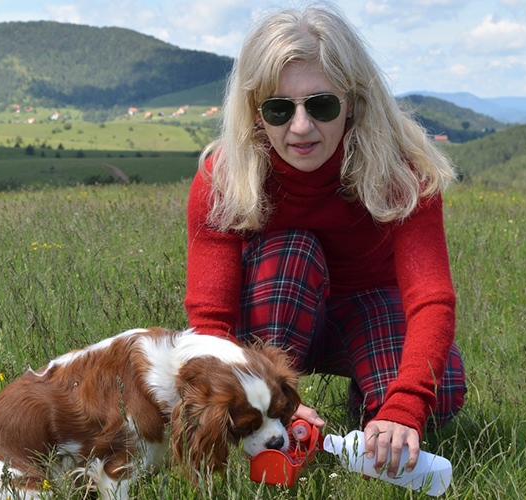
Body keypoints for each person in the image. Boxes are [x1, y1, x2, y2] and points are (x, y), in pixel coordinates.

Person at [185, 3, 466, 479]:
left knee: (442, 390)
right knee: (293, 252)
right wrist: (276, 410)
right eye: (279, 108)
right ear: (256, 113)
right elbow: (210, 324)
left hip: (368, 305)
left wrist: (405, 404)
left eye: (321, 104)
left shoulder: (403, 170)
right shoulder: (223, 179)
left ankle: (371, 413)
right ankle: (271, 416)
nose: (300, 126)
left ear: (353, 102)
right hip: (278, 311)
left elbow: (430, 298)